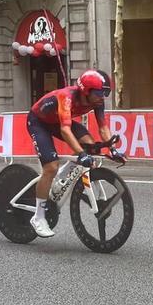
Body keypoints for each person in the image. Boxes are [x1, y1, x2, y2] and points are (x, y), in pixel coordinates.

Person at [26, 69, 125, 238]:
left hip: (58, 121)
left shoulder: (97, 101)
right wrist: (80, 154)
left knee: (90, 146)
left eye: (106, 92)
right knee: (51, 167)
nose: (103, 97)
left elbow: (103, 127)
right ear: (86, 91)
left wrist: (113, 149)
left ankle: (61, 178)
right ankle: (38, 217)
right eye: (100, 93)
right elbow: (65, 130)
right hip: (39, 122)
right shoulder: (67, 97)